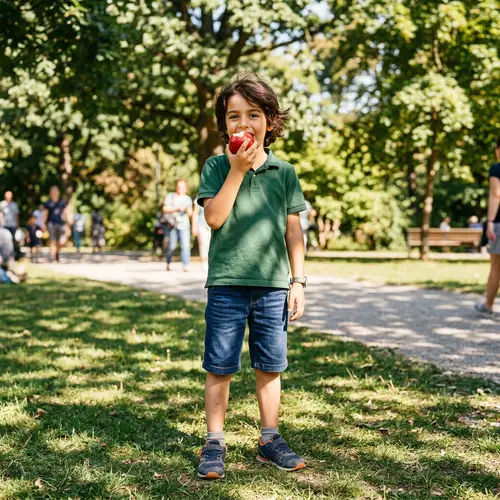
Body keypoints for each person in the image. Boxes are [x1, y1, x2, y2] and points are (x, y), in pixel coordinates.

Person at [195, 74, 307, 480]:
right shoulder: (216, 166)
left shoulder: (284, 171)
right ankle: (214, 441)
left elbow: (293, 231)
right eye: (233, 116)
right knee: (219, 365)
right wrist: (237, 170)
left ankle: (269, 438)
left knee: (270, 365)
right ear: (224, 124)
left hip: (274, 285)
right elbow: (215, 217)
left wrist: (299, 281)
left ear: (271, 121)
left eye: (254, 114)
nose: (243, 123)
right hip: (226, 283)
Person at [475, 137, 500, 317]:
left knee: (496, 266)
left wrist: (490, 221)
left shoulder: (497, 168)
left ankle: (488, 305)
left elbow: (496, 194)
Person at [163, 179, 193, 272]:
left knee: (185, 245)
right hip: (172, 224)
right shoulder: (171, 196)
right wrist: (176, 208)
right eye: (179, 186)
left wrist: (188, 210)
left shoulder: (188, 199)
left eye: (183, 187)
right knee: (171, 246)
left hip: (184, 225)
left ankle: (186, 265)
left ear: (186, 188)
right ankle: (168, 262)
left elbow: (190, 213)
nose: (181, 189)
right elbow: (164, 209)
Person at [43, 186, 67, 262]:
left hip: (60, 223)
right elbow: (45, 214)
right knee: (52, 240)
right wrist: (43, 224)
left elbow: (64, 213)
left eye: (56, 191)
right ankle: (53, 257)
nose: (54, 193)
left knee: (61, 241)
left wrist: (67, 223)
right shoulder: (48, 203)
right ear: (50, 193)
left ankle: (56, 252)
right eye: (53, 191)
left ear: (58, 193)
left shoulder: (61, 202)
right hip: (51, 223)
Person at [0, 191, 22, 259]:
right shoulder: (2, 204)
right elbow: (1, 214)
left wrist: (18, 225)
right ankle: (5, 255)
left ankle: (16, 255)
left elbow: (16, 216)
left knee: (14, 240)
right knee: (5, 240)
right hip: (5, 225)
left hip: (13, 225)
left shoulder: (14, 204)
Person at [192, 198, 211, 272]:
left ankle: (210, 262)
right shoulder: (199, 197)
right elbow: (195, 213)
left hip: (211, 224)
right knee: (203, 244)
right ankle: (204, 262)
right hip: (202, 224)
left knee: (210, 244)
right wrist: (194, 226)